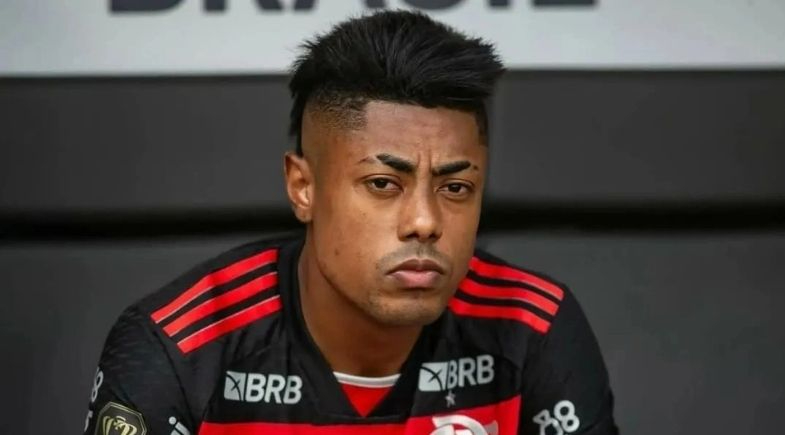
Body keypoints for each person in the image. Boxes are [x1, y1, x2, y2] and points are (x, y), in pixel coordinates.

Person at [84, 10, 617, 435]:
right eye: (383, 184)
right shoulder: (180, 346)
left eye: (455, 188)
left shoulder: (533, 327)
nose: (425, 222)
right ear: (304, 187)